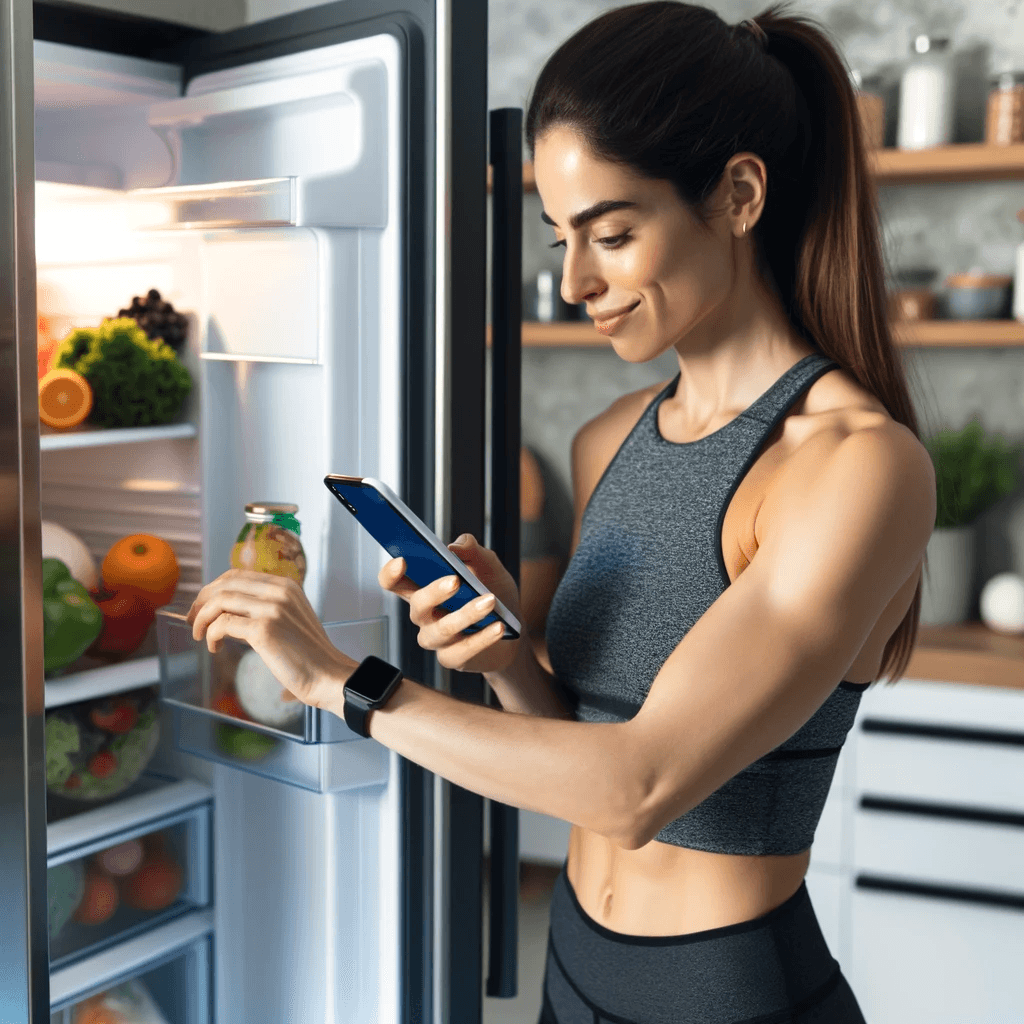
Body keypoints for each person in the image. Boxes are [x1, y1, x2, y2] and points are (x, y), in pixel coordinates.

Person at [187, 3, 937, 1021]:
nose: (576, 280)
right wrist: (501, 656)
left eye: (613, 234)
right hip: (574, 968)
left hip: (725, 993)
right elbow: (582, 743)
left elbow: (638, 787)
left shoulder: (855, 465)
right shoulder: (611, 436)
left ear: (739, 194)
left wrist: (337, 680)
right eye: (559, 238)